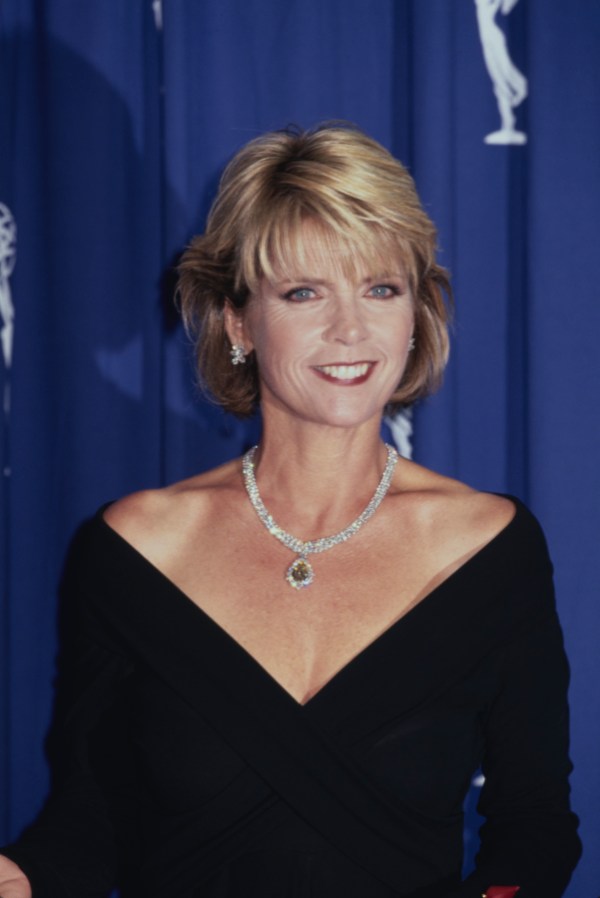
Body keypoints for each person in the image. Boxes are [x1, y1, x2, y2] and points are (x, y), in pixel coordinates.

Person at [0, 124, 580, 897]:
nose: (352, 328)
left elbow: (535, 828)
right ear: (238, 321)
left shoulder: (489, 547)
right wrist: (23, 878)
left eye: (381, 288)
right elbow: (92, 819)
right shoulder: (135, 549)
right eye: (304, 292)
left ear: (417, 315)